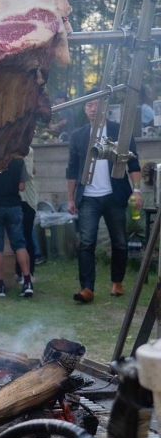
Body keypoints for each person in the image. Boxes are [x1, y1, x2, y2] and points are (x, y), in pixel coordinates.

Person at [66, 94, 142, 303]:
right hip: (88, 197)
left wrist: (137, 190)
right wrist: (71, 198)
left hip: (114, 195)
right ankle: (87, 289)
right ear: (85, 110)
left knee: (119, 242)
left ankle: (117, 282)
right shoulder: (78, 136)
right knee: (86, 243)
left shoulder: (119, 131)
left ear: (105, 108)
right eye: (88, 104)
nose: (92, 108)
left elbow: (133, 163)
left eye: (96, 104)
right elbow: (72, 169)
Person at [0, 158, 34, 298]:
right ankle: (27, 282)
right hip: (13, 206)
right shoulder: (18, 160)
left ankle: (0, 286)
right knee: (19, 244)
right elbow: (22, 187)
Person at [15, 148, 38, 283]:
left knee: (25, 236)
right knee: (19, 237)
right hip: (20, 199)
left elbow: (29, 173)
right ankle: (20, 272)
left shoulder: (25, 150)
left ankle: (29, 273)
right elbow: (34, 170)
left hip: (27, 200)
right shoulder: (24, 149)